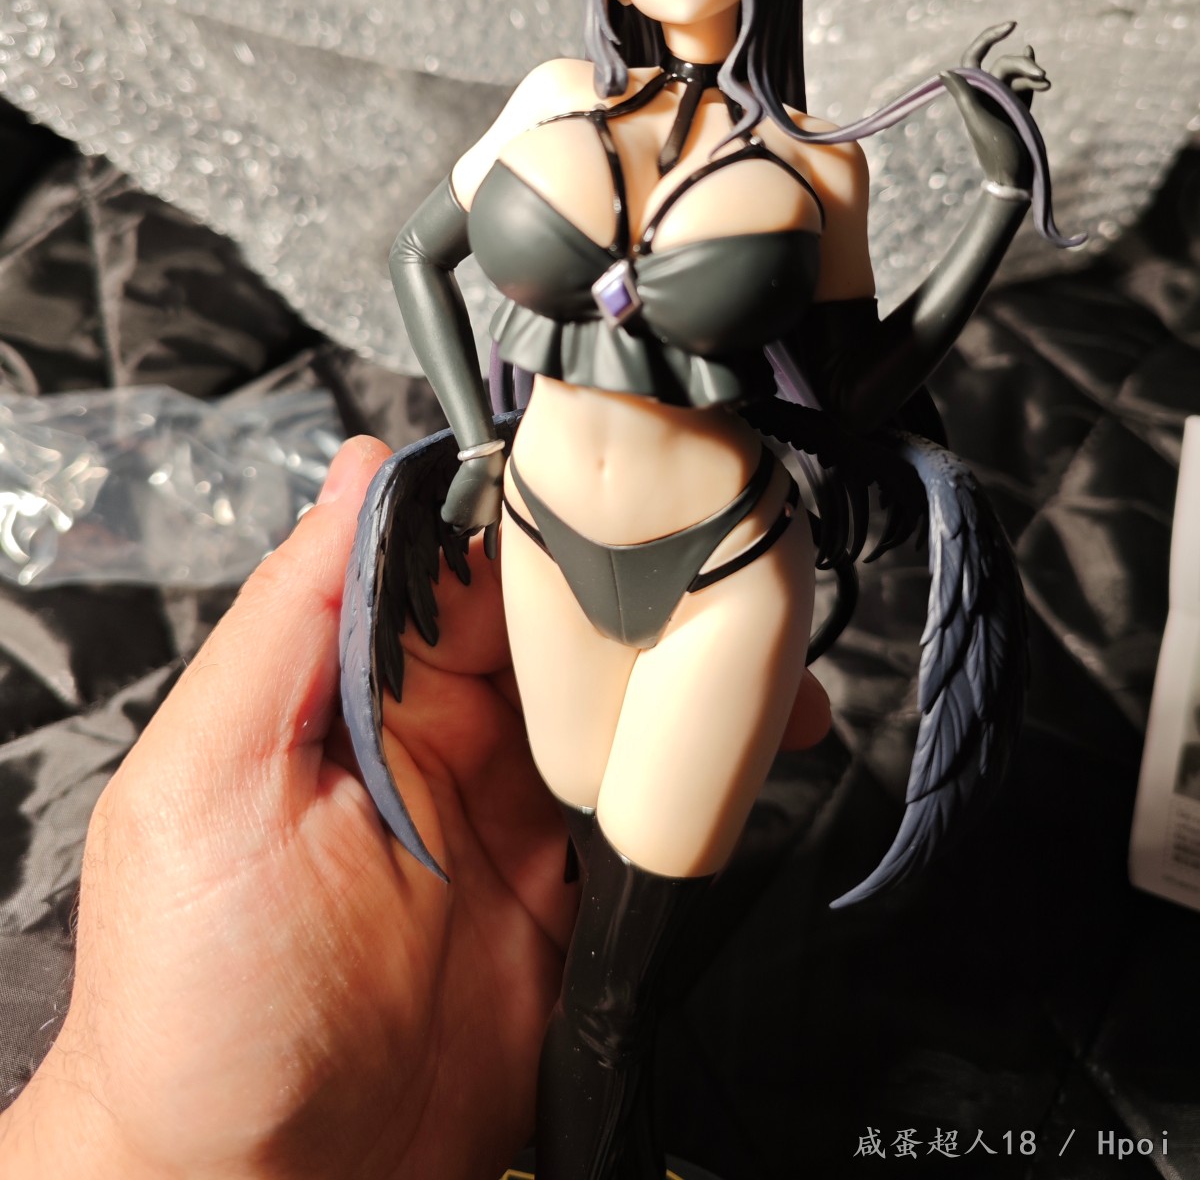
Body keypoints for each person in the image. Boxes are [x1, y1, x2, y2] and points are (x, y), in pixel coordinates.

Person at [375, 0, 1071, 1178]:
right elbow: (420, 256)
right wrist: (476, 445)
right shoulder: (554, 99)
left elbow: (852, 392)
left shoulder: (821, 159)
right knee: (590, 892)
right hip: (545, 547)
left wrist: (997, 211)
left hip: (725, 573)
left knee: (610, 988)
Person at [0, 434, 831, 1180]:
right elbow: (435, 292)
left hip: (723, 548)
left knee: (612, 990)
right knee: (604, 955)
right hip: (544, 521)